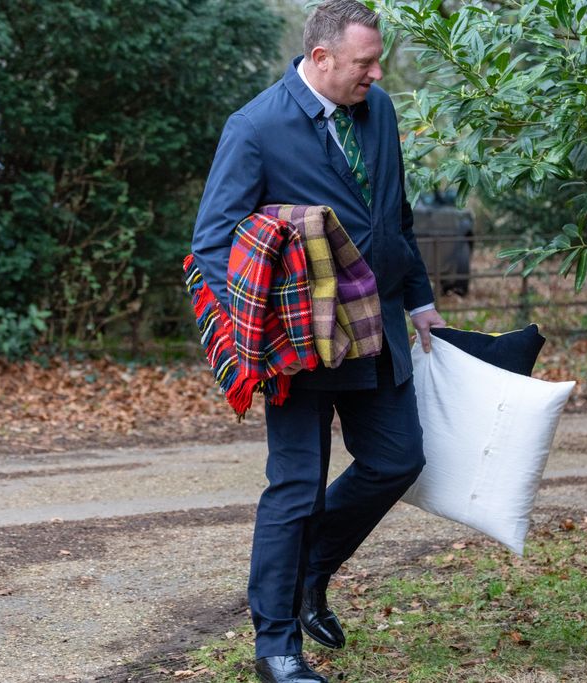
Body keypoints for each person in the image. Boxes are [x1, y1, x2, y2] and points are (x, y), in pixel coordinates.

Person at [191, 2, 446, 681]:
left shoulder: (378, 109)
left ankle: (310, 572)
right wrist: (264, 332)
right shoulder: (255, 127)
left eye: (377, 61)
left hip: (378, 329)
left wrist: (420, 300)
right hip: (298, 347)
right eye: (366, 62)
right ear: (322, 58)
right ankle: (276, 644)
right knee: (296, 488)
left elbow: (393, 215)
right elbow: (212, 244)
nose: (377, 73)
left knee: (397, 458)